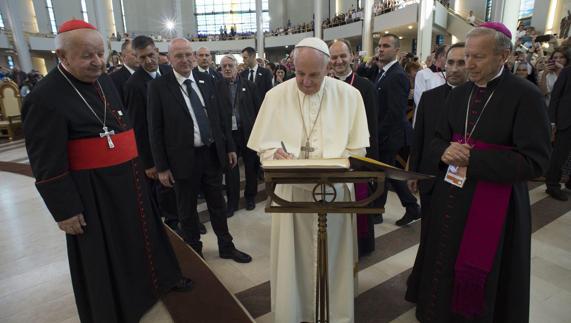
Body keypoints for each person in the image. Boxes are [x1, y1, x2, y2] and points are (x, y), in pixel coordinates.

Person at [21, 19, 192, 323]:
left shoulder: (105, 80)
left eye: (100, 53)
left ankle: (156, 286)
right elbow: (46, 163)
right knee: (108, 254)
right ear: (62, 56)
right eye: (87, 55)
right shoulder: (44, 97)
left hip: (130, 182)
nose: (97, 62)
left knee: (143, 237)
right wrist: (65, 211)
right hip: (94, 193)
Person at [408, 23, 551, 322]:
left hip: (496, 205)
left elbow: (535, 162)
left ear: (504, 56)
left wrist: (474, 159)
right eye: (466, 55)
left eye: (478, 57)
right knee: (444, 260)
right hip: (452, 196)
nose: (469, 64)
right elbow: (435, 139)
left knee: (486, 275)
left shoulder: (526, 96)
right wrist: (445, 151)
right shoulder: (458, 94)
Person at [247, 37, 370, 323]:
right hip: (292, 192)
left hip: (335, 191)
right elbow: (263, 145)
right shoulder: (275, 95)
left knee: (334, 256)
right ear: (292, 66)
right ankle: (294, 311)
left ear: (328, 68)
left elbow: (358, 148)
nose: (305, 81)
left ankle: (335, 312)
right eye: (300, 73)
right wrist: (272, 152)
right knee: (293, 257)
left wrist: (342, 162)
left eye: (314, 75)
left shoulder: (350, 96)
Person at [147, 38, 252, 263]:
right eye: (178, 56)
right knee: (187, 210)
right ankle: (195, 253)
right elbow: (154, 129)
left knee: (217, 204)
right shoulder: (158, 87)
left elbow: (220, 118)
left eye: (188, 54)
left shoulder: (207, 80)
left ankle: (226, 246)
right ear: (169, 58)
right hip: (181, 159)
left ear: (194, 56)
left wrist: (229, 148)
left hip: (211, 154)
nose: (185, 60)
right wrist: (162, 167)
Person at [405, 41, 468, 303]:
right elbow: (419, 137)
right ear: (442, 63)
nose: (454, 69)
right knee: (430, 236)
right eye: (450, 62)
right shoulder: (431, 98)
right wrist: (414, 173)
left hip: (462, 180)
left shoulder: (477, 99)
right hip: (432, 176)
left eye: (461, 63)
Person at [124, 35, 183, 234]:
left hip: (177, 144)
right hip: (155, 149)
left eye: (151, 55)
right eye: (142, 58)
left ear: (157, 51)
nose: (148, 61)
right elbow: (138, 127)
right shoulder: (134, 84)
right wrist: (148, 162)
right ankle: (174, 224)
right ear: (136, 58)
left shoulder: (169, 71)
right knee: (165, 190)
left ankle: (187, 218)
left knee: (182, 187)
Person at [329, 38, 379, 256]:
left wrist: (371, 165)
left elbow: (372, 126)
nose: (339, 61)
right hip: (332, 155)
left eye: (343, 56)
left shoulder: (365, 85)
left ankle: (361, 246)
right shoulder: (325, 83)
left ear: (352, 56)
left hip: (357, 152)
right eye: (334, 57)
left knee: (359, 200)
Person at [374, 33, 421, 226]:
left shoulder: (397, 75)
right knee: (387, 173)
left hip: (391, 134)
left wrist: (378, 134)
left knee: (385, 173)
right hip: (387, 133)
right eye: (379, 46)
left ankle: (378, 211)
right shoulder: (384, 72)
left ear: (396, 50)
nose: (381, 49)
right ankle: (411, 207)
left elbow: (395, 112)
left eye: (386, 46)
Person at [215, 55, 261, 216]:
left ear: (237, 67)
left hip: (247, 133)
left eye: (230, 65)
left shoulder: (250, 86)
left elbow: (258, 111)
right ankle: (232, 202)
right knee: (231, 170)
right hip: (228, 135)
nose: (227, 68)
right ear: (220, 69)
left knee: (250, 167)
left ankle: (250, 197)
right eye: (224, 66)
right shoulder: (216, 86)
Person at [545, 66, 571, 201]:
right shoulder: (567, 71)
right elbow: (555, 95)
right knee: (559, 155)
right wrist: (552, 120)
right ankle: (552, 185)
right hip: (566, 120)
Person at [413, 44, 448, 109]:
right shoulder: (422, 74)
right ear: (440, 56)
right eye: (449, 55)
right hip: (429, 113)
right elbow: (419, 100)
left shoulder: (450, 74)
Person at [110, 39, 139, 104]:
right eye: (134, 55)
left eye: (140, 54)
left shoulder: (147, 75)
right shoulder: (114, 79)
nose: (139, 57)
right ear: (123, 56)